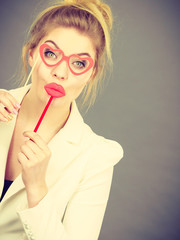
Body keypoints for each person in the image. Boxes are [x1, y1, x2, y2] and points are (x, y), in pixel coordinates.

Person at [0, 0, 123, 239]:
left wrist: (37, 189)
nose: (61, 72)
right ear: (31, 54)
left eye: (79, 63)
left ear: (91, 73)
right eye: (51, 54)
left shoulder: (96, 157)